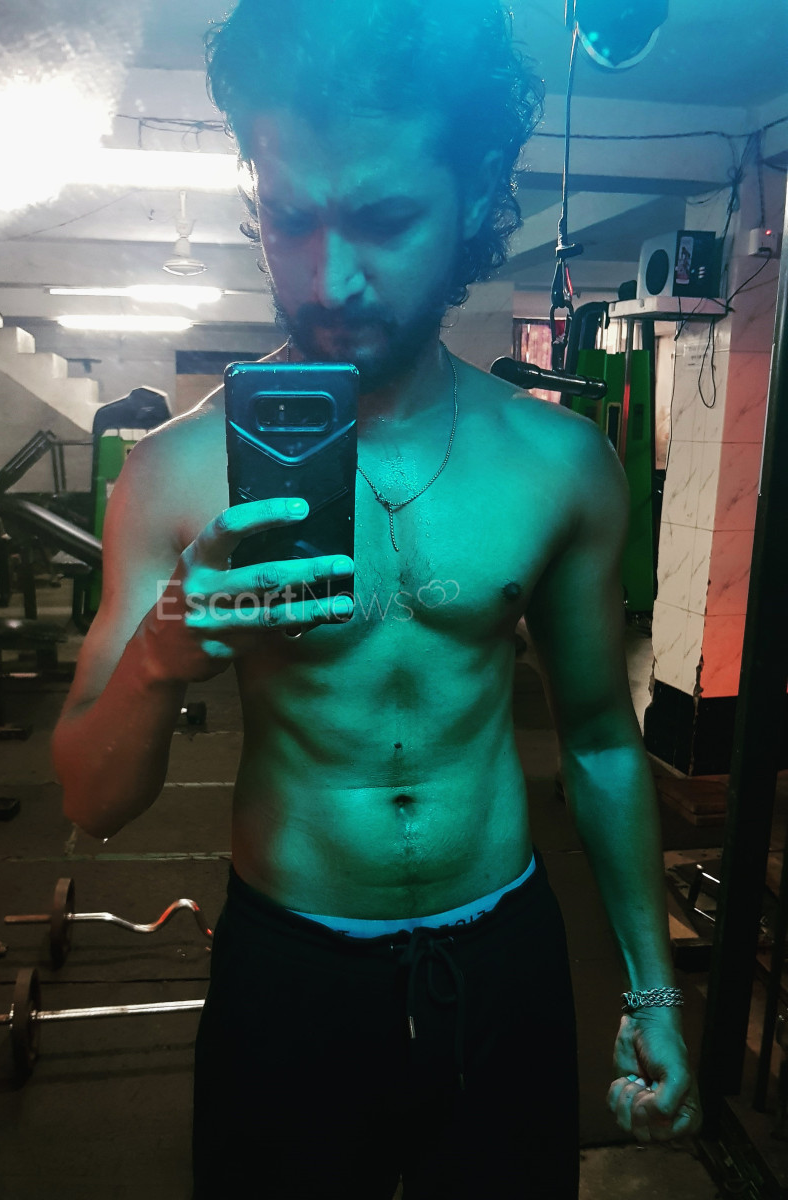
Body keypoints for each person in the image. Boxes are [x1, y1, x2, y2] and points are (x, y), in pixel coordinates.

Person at [52, 1, 701, 1194]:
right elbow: (94, 800)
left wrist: (652, 990)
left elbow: (604, 744)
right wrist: (161, 651)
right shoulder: (173, 475)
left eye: (386, 220)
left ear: (474, 198)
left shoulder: (558, 465)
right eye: (290, 219)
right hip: (289, 975)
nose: (329, 277)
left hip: (503, 964)